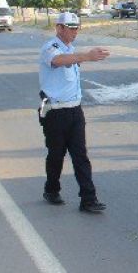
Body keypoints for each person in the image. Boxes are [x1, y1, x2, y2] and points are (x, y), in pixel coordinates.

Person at [38, 12, 110, 213]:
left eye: (77, 27)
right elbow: (58, 61)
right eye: (70, 27)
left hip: (75, 111)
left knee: (80, 156)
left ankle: (88, 198)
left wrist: (83, 56)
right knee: (56, 155)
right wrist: (86, 56)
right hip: (55, 112)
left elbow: (70, 60)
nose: (74, 31)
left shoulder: (71, 50)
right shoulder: (50, 48)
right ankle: (51, 190)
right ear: (59, 28)